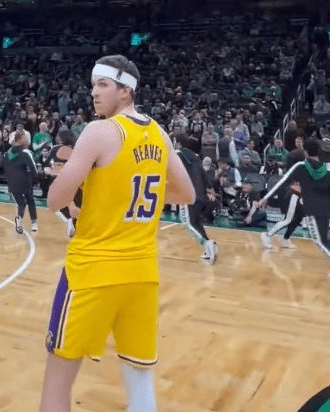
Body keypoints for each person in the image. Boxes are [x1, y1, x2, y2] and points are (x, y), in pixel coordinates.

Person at [40, 55, 195, 412]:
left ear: (125, 91)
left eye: (103, 84)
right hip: (142, 274)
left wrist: (69, 177)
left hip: (93, 271)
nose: (94, 92)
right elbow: (187, 194)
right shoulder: (159, 133)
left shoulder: (100, 131)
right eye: (93, 85)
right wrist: (122, 192)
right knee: (140, 382)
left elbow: (54, 200)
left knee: (57, 381)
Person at [258, 139, 330, 287]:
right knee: (324, 240)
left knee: (319, 241)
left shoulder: (301, 166)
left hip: (311, 209)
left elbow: (283, 181)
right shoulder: (328, 170)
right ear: (319, 152)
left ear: (305, 152)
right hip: (326, 209)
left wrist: (266, 197)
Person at [176, 133, 218, 263]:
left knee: (188, 224)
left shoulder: (177, 154)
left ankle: (207, 244)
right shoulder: (195, 156)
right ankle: (210, 248)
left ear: (178, 143)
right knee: (197, 223)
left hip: (188, 195)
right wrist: (210, 189)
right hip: (200, 195)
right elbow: (203, 174)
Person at [46, 129, 82, 237]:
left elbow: (49, 164)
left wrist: (48, 170)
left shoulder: (55, 149)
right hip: (73, 182)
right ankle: (75, 229)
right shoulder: (75, 150)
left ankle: (69, 222)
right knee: (74, 206)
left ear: (61, 138)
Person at [5, 130, 38, 233]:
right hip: (25, 182)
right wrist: (38, 177)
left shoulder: (7, 154)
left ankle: (19, 220)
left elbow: (4, 168)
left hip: (12, 183)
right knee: (30, 201)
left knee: (21, 203)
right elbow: (33, 170)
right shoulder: (26, 153)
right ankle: (34, 223)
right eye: (25, 138)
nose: (28, 140)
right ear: (20, 139)